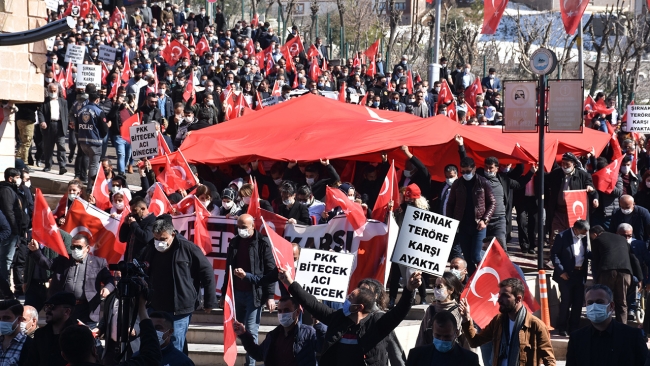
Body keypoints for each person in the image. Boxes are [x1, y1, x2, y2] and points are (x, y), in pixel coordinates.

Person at [277, 265, 422, 366]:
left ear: (359, 307)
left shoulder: (377, 323)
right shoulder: (338, 318)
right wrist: (289, 282)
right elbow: (312, 304)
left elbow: (400, 312)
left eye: (351, 297)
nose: (346, 298)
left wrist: (409, 290)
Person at [144, 218, 216, 352]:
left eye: (163, 239)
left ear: (173, 234)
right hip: (156, 305)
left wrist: (209, 301)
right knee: (156, 343)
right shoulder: (151, 248)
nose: (160, 242)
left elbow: (207, 272)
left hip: (179, 307)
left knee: (175, 343)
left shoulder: (188, 248)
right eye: (156, 238)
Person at [458, 278, 556, 366]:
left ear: (518, 299)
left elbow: (549, 360)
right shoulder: (498, 321)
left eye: (505, 296)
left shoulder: (536, 325)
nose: (499, 300)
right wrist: (466, 319)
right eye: (500, 295)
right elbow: (475, 342)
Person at [221, 214, 277, 366]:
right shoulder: (234, 242)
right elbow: (228, 269)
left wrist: (270, 295)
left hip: (254, 294)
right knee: (236, 328)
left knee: (251, 330)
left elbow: (271, 271)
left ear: (253, 226)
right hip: (236, 293)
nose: (241, 230)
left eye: (244, 227)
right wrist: (223, 292)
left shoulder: (262, 243)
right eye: (238, 227)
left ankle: (250, 364)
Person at [27, 235, 115, 328]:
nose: (75, 249)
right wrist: (36, 251)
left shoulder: (98, 262)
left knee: (84, 338)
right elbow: (47, 264)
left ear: (87, 248)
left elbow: (109, 279)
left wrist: (107, 288)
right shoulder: (64, 259)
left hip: (86, 308)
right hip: (65, 307)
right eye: (73, 247)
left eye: (79, 247)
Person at [58, 292, 162, 366]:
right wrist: (142, 308)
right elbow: (151, 357)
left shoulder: (131, 297)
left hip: (130, 346)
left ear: (63, 355)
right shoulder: (112, 296)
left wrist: (135, 329)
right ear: (94, 350)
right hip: (111, 347)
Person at [565, 284, 648, 366]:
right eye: (590, 303)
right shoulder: (577, 338)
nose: (594, 306)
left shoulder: (632, 336)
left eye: (599, 302)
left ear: (611, 306)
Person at [233, 296, 326, 366]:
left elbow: (322, 347)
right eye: (280, 311)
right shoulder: (273, 335)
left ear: (297, 312)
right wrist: (244, 335)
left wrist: (318, 323)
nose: (283, 314)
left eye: (286, 310)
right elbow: (258, 354)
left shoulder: (308, 332)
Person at [446, 157, 496, 274]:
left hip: (478, 225)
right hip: (463, 225)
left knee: (476, 256)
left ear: (474, 169)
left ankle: (485, 277)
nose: (465, 174)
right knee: (467, 258)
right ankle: (473, 281)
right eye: (462, 171)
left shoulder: (482, 182)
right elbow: (450, 204)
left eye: (468, 171)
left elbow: (492, 202)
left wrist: (485, 220)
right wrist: (450, 221)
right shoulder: (457, 184)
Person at [590, 225, 643, 324]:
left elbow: (596, 260)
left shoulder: (597, 240)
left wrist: (596, 278)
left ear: (594, 234)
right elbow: (634, 258)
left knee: (604, 300)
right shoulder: (622, 239)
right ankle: (622, 329)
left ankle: (604, 326)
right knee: (622, 302)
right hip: (625, 272)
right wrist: (640, 278)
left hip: (607, 271)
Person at [545, 152, 597, 250]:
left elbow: (592, 189)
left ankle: (577, 259)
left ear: (574, 164)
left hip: (575, 213)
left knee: (576, 237)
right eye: (563, 163)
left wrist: (594, 197)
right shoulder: (556, 173)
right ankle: (554, 258)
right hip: (559, 213)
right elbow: (544, 181)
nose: (564, 166)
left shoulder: (583, 175)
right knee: (556, 236)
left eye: (567, 164)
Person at [550, 219, 590, 336]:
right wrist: (561, 271)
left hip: (579, 273)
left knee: (578, 303)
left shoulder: (584, 237)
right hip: (566, 275)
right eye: (583, 232)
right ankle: (562, 327)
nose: (585, 234)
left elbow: (585, 252)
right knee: (566, 301)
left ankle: (574, 327)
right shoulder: (562, 237)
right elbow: (555, 254)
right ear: (576, 229)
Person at [407, 311, 479, 366]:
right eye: (438, 335)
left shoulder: (469, 360)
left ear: (456, 333)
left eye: (447, 336)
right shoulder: (416, 356)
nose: (442, 340)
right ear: (433, 331)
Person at [24, 229, 72, 311]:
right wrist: (26, 280)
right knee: (27, 312)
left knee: (52, 314)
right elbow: (29, 260)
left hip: (52, 285)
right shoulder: (34, 235)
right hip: (34, 284)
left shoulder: (64, 237)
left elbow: (66, 262)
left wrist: (55, 278)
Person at [415, 272, 464, 347]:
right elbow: (421, 337)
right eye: (434, 286)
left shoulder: (459, 311)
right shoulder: (431, 310)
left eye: (439, 286)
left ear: (451, 289)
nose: (435, 289)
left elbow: (464, 341)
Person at [28, 292, 78, 366]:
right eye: (47, 306)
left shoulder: (78, 335)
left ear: (67, 311)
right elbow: (31, 362)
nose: (47, 310)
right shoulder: (40, 334)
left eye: (52, 307)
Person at [76, 92, 109, 187]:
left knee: (90, 163)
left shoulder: (81, 110)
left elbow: (77, 127)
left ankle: (87, 181)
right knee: (93, 165)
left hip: (83, 142)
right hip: (95, 142)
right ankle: (91, 188)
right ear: (97, 100)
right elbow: (104, 129)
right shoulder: (99, 111)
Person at [0, 168, 24, 296]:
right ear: (10, 178)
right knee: (6, 260)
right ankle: (4, 288)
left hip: (11, 231)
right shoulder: (6, 191)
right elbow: (9, 211)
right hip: (9, 232)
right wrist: (14, 229)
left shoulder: (10, 190)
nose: (19, 179)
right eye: (17, 177)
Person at [40, 83, 69, 175]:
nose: (53, 92)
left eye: (54, 91)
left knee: (61, 146)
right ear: (48, 91)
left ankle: (62, 166)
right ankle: (48, 165)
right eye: (51, 91)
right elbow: (40, 113)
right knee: (48, 147)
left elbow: (66, 115)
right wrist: (42, 121)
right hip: (49, 126)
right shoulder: (44, 102)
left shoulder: (63, 102)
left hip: (60, 126)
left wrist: (67, 124)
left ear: (57, 90)